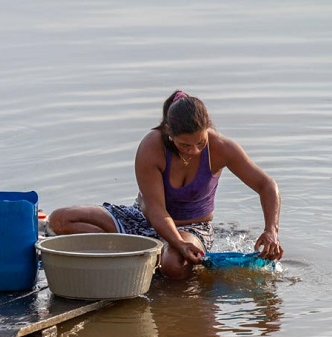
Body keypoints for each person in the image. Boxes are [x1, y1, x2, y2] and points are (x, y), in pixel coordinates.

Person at [48, 90, 284, 280]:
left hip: (192, 228)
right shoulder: (151, 147)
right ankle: (132, 254)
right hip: (143, 218)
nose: (194, 151)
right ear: (168, 133)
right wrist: (176, 243)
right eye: (185, 145)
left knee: (173, 266)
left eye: (200, 143)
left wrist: (271, 230)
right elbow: (156, 209)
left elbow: (267, 185)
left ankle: (145, 256)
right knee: (59, 220)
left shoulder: (221, 147)